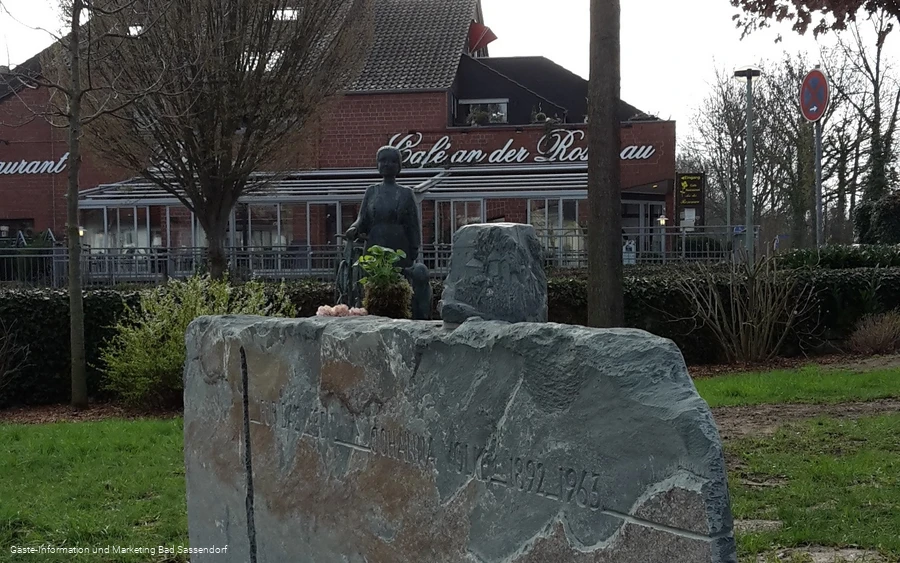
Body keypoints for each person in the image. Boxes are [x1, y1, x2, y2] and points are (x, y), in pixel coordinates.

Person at [344, 146, 432, 319]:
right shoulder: (372, 191)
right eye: (383, 160)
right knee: (374, 285)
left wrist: (414, 248)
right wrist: (353, 229)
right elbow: (363, 219)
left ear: (399, 166)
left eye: (392, 161)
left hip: (399, 246)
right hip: (374, 245)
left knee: (399, 286)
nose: (387, 164)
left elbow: (413, 224)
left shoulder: (406, 193)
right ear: (377, 164)